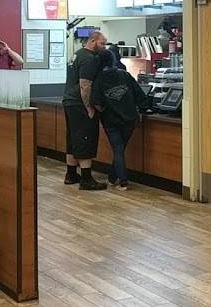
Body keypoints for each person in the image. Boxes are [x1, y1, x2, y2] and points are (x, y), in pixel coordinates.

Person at [92, 50, 148, 191]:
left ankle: (123, 181)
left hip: (110, 120)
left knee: (118, 149)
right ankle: (112, 178)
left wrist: (105, 110)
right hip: (129, 118)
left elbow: (96, 102)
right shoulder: (124, 74)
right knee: (120, 149)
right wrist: (141, 110)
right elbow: (139, 94)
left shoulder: (99, 79)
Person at [61, 30, 108, 190]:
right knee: (86, 138)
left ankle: (71, 174)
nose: (104, 47)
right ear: (93, 41)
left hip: (69, 101)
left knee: (73, 139)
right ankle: (86, 179)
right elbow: (85, 85)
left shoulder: (77, 54)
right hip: (79, 103)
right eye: (102, 44)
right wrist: (89, 107)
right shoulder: (89, 58)